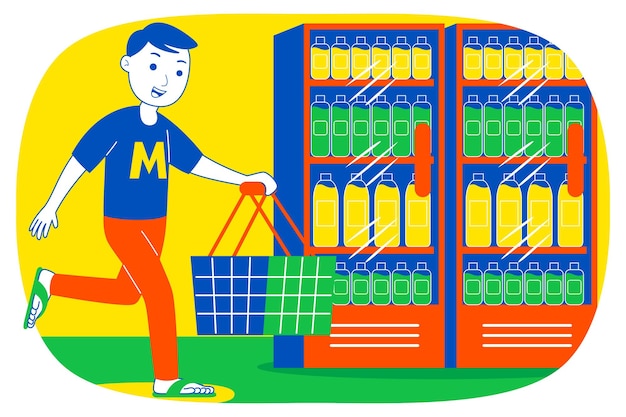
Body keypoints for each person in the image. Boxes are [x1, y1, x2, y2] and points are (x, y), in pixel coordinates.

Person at [24, 22, 276, 398]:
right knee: (160, 292)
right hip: (122, 226)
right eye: (155, 65)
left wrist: (244, 178)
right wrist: (50, 206)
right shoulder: (116, 124)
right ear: (127, 64)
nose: (166, 80)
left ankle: (51, 282)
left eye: (179, 71)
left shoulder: (167, 129)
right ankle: (167, 380)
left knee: (127, 293)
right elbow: (79, 161)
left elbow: (197, 163)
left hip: (158, 226)